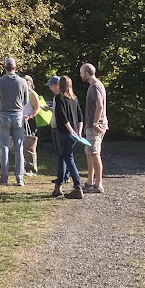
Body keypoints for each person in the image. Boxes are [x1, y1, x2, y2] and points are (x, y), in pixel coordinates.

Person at [0, 57, 29, 186]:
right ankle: (19, 178)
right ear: (15, 67)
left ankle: (4, 177)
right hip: (18, 115)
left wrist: (3, 105)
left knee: (4, 147)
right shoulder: (23, 81)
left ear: (5, 67)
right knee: (19, 148)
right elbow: (26, 100)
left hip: (4, 115)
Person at [51, 76, 84, 200]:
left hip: (64, 132)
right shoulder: (74, 99)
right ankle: (58, 187)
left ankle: (77, 187)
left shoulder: (59, 98)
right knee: (62, 157)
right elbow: (80, 117)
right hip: (74, 133)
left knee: (68, 158)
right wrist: (78, 132)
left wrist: (70, 131)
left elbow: (63, 117)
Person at [80, 63, 108, 193]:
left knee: (95, 153)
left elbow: (100, 105)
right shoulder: (95, 85)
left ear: (87, 73)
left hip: (95, 127)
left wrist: (96, 123)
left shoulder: (95, 86)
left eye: (81, 72)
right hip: (91, 126)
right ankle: (90, 181)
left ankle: (98, 185)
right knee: (89, 152)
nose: (80, 75)